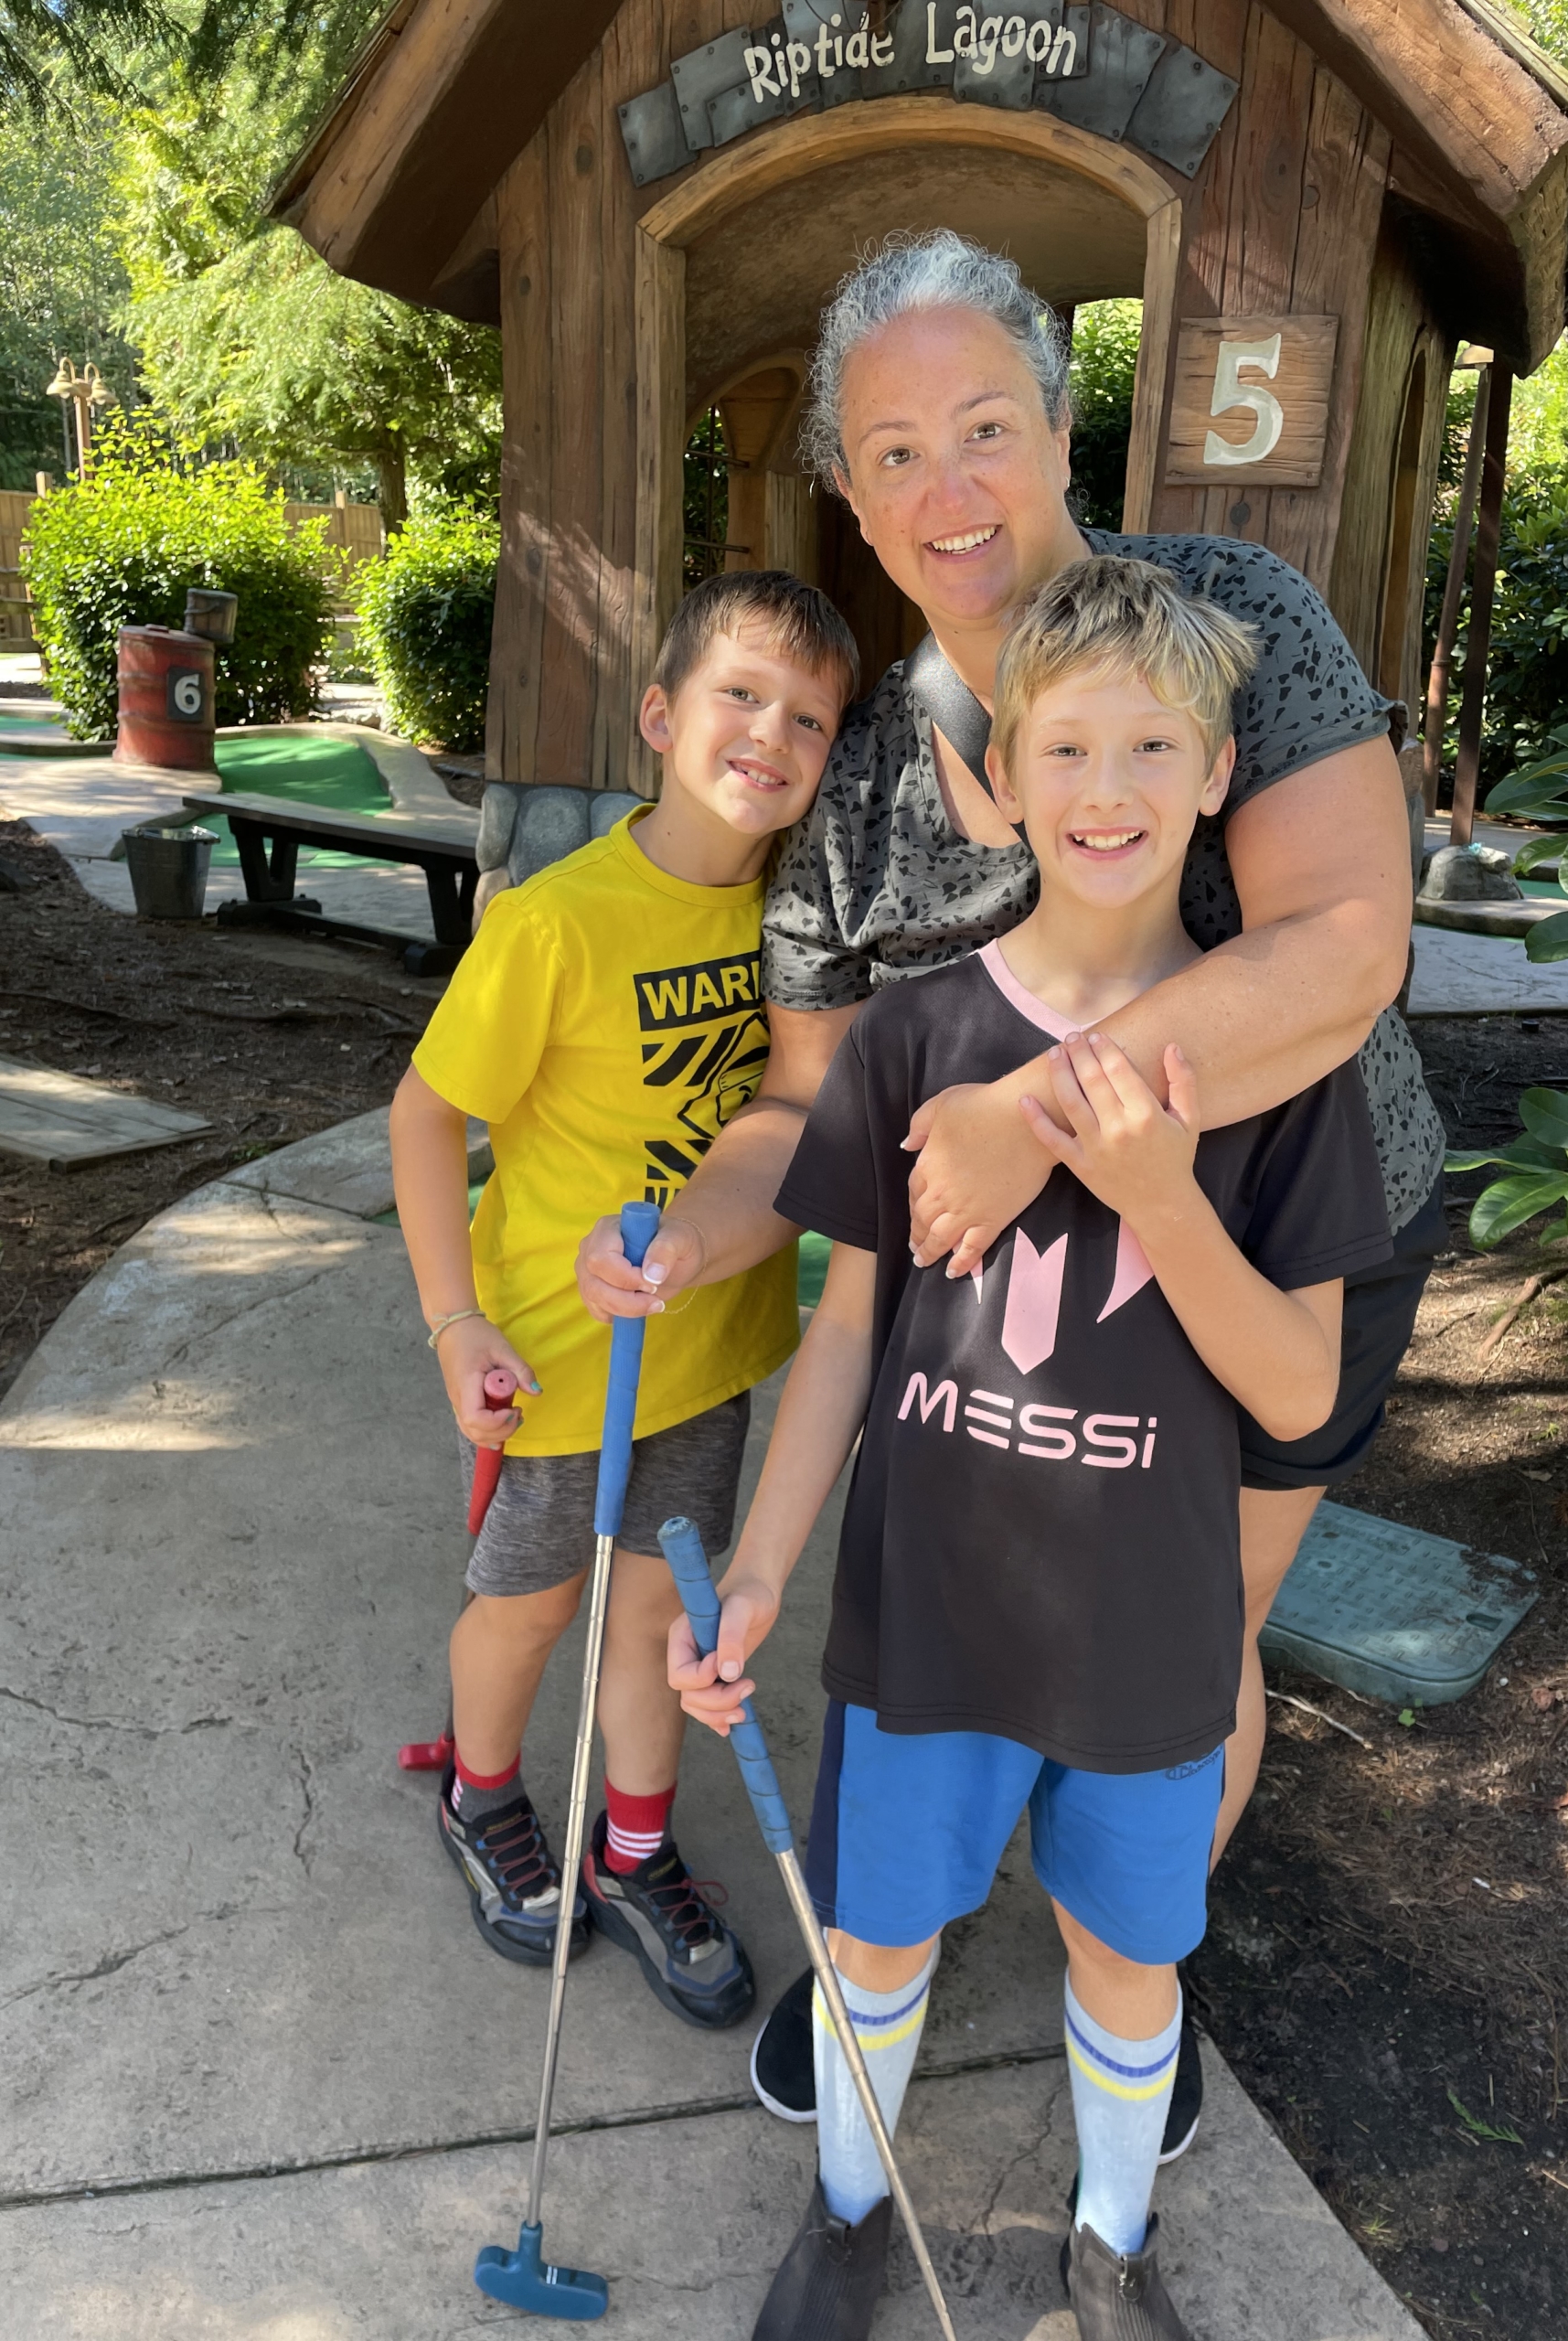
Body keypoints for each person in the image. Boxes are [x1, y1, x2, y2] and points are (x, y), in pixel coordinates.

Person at [581, 230, 1445, 2137]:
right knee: (955, 1637)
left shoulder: (1233, 619)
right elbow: (802, 1120)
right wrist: (677, 1229)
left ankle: (1134, 1972)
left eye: (985, 425)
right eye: (892, 453)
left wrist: (1023, 1113)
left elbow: (1343, 940)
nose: (945, 485)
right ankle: (887, 1944)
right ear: (857, 504)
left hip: (1276, 1260)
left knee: (1181, 1648)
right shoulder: (866, 780)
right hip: (989, 1318)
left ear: (1066, 429)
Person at [673, 559, 1393, 2339]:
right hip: (928, 1627)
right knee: (878, 1937)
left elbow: (1301, 1393)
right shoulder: (918, 1030)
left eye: (1157, 743)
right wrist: (762, 1562)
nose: (1111, 786)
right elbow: (846, 1330)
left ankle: (1115, 2234)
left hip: (1144, 1638)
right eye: (1067, 744)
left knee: (1129, 1950)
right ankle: (847, 2215)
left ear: (1222, 772)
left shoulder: (1276, 1068)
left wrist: (1160, 1188)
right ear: (1004, 778)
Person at [389, 569, 858, 2025]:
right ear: (661, 715)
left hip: (708, 1348)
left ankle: (634, 1850)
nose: (769, 734)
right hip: (556, 1359)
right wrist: (454, 1322)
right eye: (739, 695)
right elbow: (423, 1117)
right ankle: (479, 1797)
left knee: (667, 1611)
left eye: (810, 719)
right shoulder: (557, 923)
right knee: (527, 1607)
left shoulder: (804, 922)